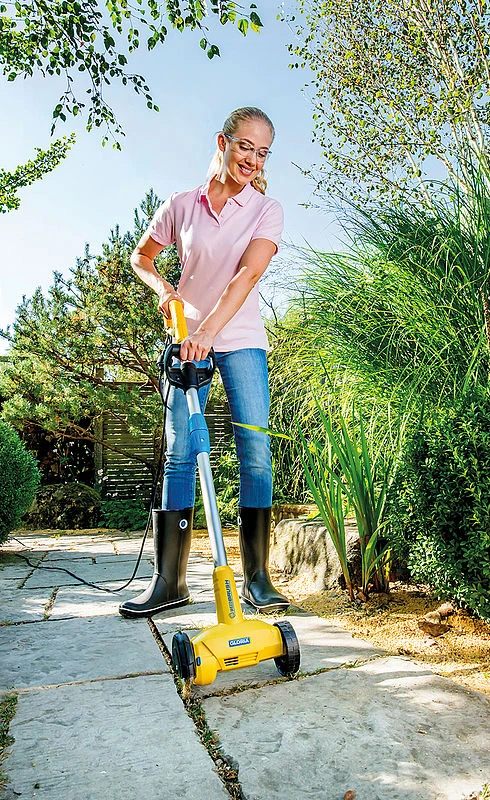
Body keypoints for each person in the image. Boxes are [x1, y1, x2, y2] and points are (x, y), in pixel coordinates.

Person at [119, 106, 289, 619]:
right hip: (185, 339)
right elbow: (140, 257)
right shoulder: (180, 205)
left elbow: (247, 275)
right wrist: (164, 289)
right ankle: (169, 582)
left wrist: (210, 333)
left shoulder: (266, 209)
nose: (252, 160)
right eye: (245, 147)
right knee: (179, 452)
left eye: (262, 153)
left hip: (237, 338)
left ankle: (257, 578)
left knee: (255, 448)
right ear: (223, 142)